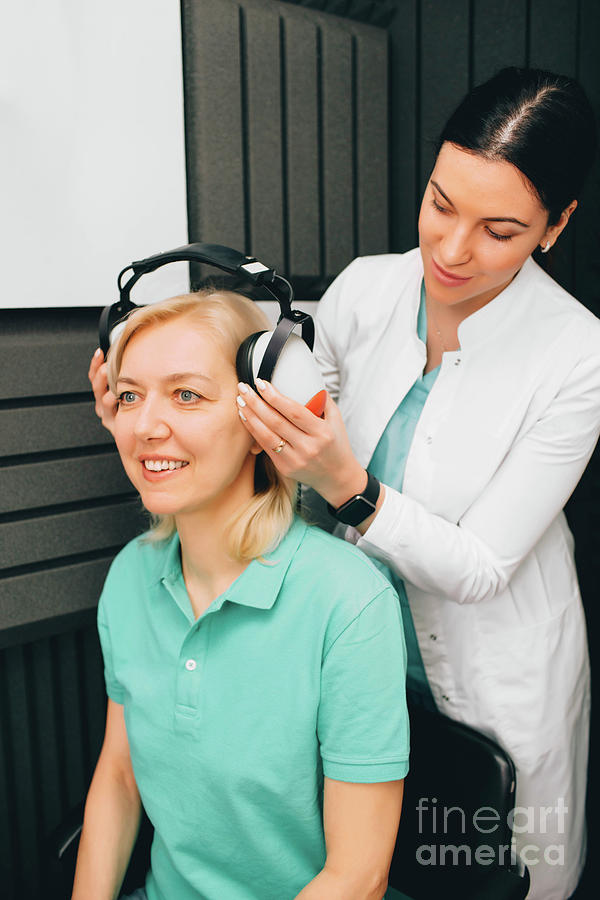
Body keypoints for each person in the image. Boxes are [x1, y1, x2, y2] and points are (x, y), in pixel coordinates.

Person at [89, 68, 599, 898]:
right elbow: (260, 374)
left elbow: (478, 568)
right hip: (338, 647)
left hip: (483, 664)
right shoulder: (368, 287)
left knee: (474, 872)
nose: (452, 249)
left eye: (499, 230)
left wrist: (349, 488)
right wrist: (142, 388)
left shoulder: (579, 357)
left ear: (556, 226)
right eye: (440, 203)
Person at [75, 290, 409, 900]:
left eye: (187, 394)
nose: (147, 425)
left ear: (263, 424)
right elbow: (121, 778)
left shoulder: (348, 602)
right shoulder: (130, 576)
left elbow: (358, 877)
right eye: (130, 395)